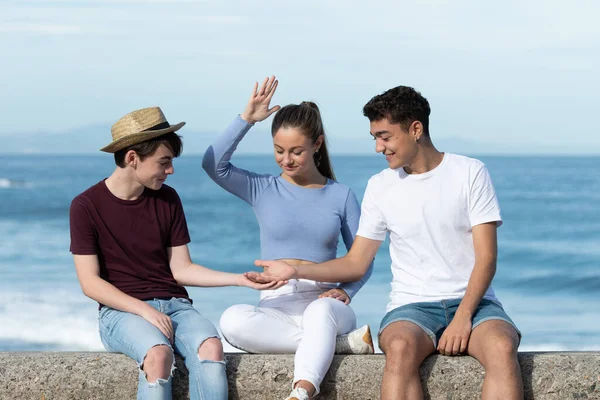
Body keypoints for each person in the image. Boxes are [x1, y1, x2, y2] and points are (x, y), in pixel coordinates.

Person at [254, 86, 524, 400]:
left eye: (385, 136)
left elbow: (487, 258)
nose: (379, 147)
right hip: (411, 307)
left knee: (503, 346)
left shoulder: (469, 173)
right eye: (374, 138)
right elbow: (355, 263)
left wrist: (463, 318)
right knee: (398, 347)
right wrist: (296, 269)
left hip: (476, 305)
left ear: (416, 129)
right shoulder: (380, 186)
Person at [69, 107, 283, 400]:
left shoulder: (167, 199)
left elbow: (181, 269)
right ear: (133, 158)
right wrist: (144, 310)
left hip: (176, 305)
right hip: (120, 313)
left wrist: (240, 280)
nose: (170, 170)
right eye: (164, 162)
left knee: (211, 347)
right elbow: (90, 283)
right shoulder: (85, 206)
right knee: (158, 355)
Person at [202, 76, 374, 400]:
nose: (286, 160)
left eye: (296, 151)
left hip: (327, 303)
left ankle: (302, 391)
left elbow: (364, 260)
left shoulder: (341, 195)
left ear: (317, 145)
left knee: (318, 315)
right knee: (232, 320)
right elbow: (213, 164)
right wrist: (246, 120)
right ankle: (331, 345)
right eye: (279, 151)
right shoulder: (263, 188)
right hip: (276, 305)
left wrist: (347, 290)